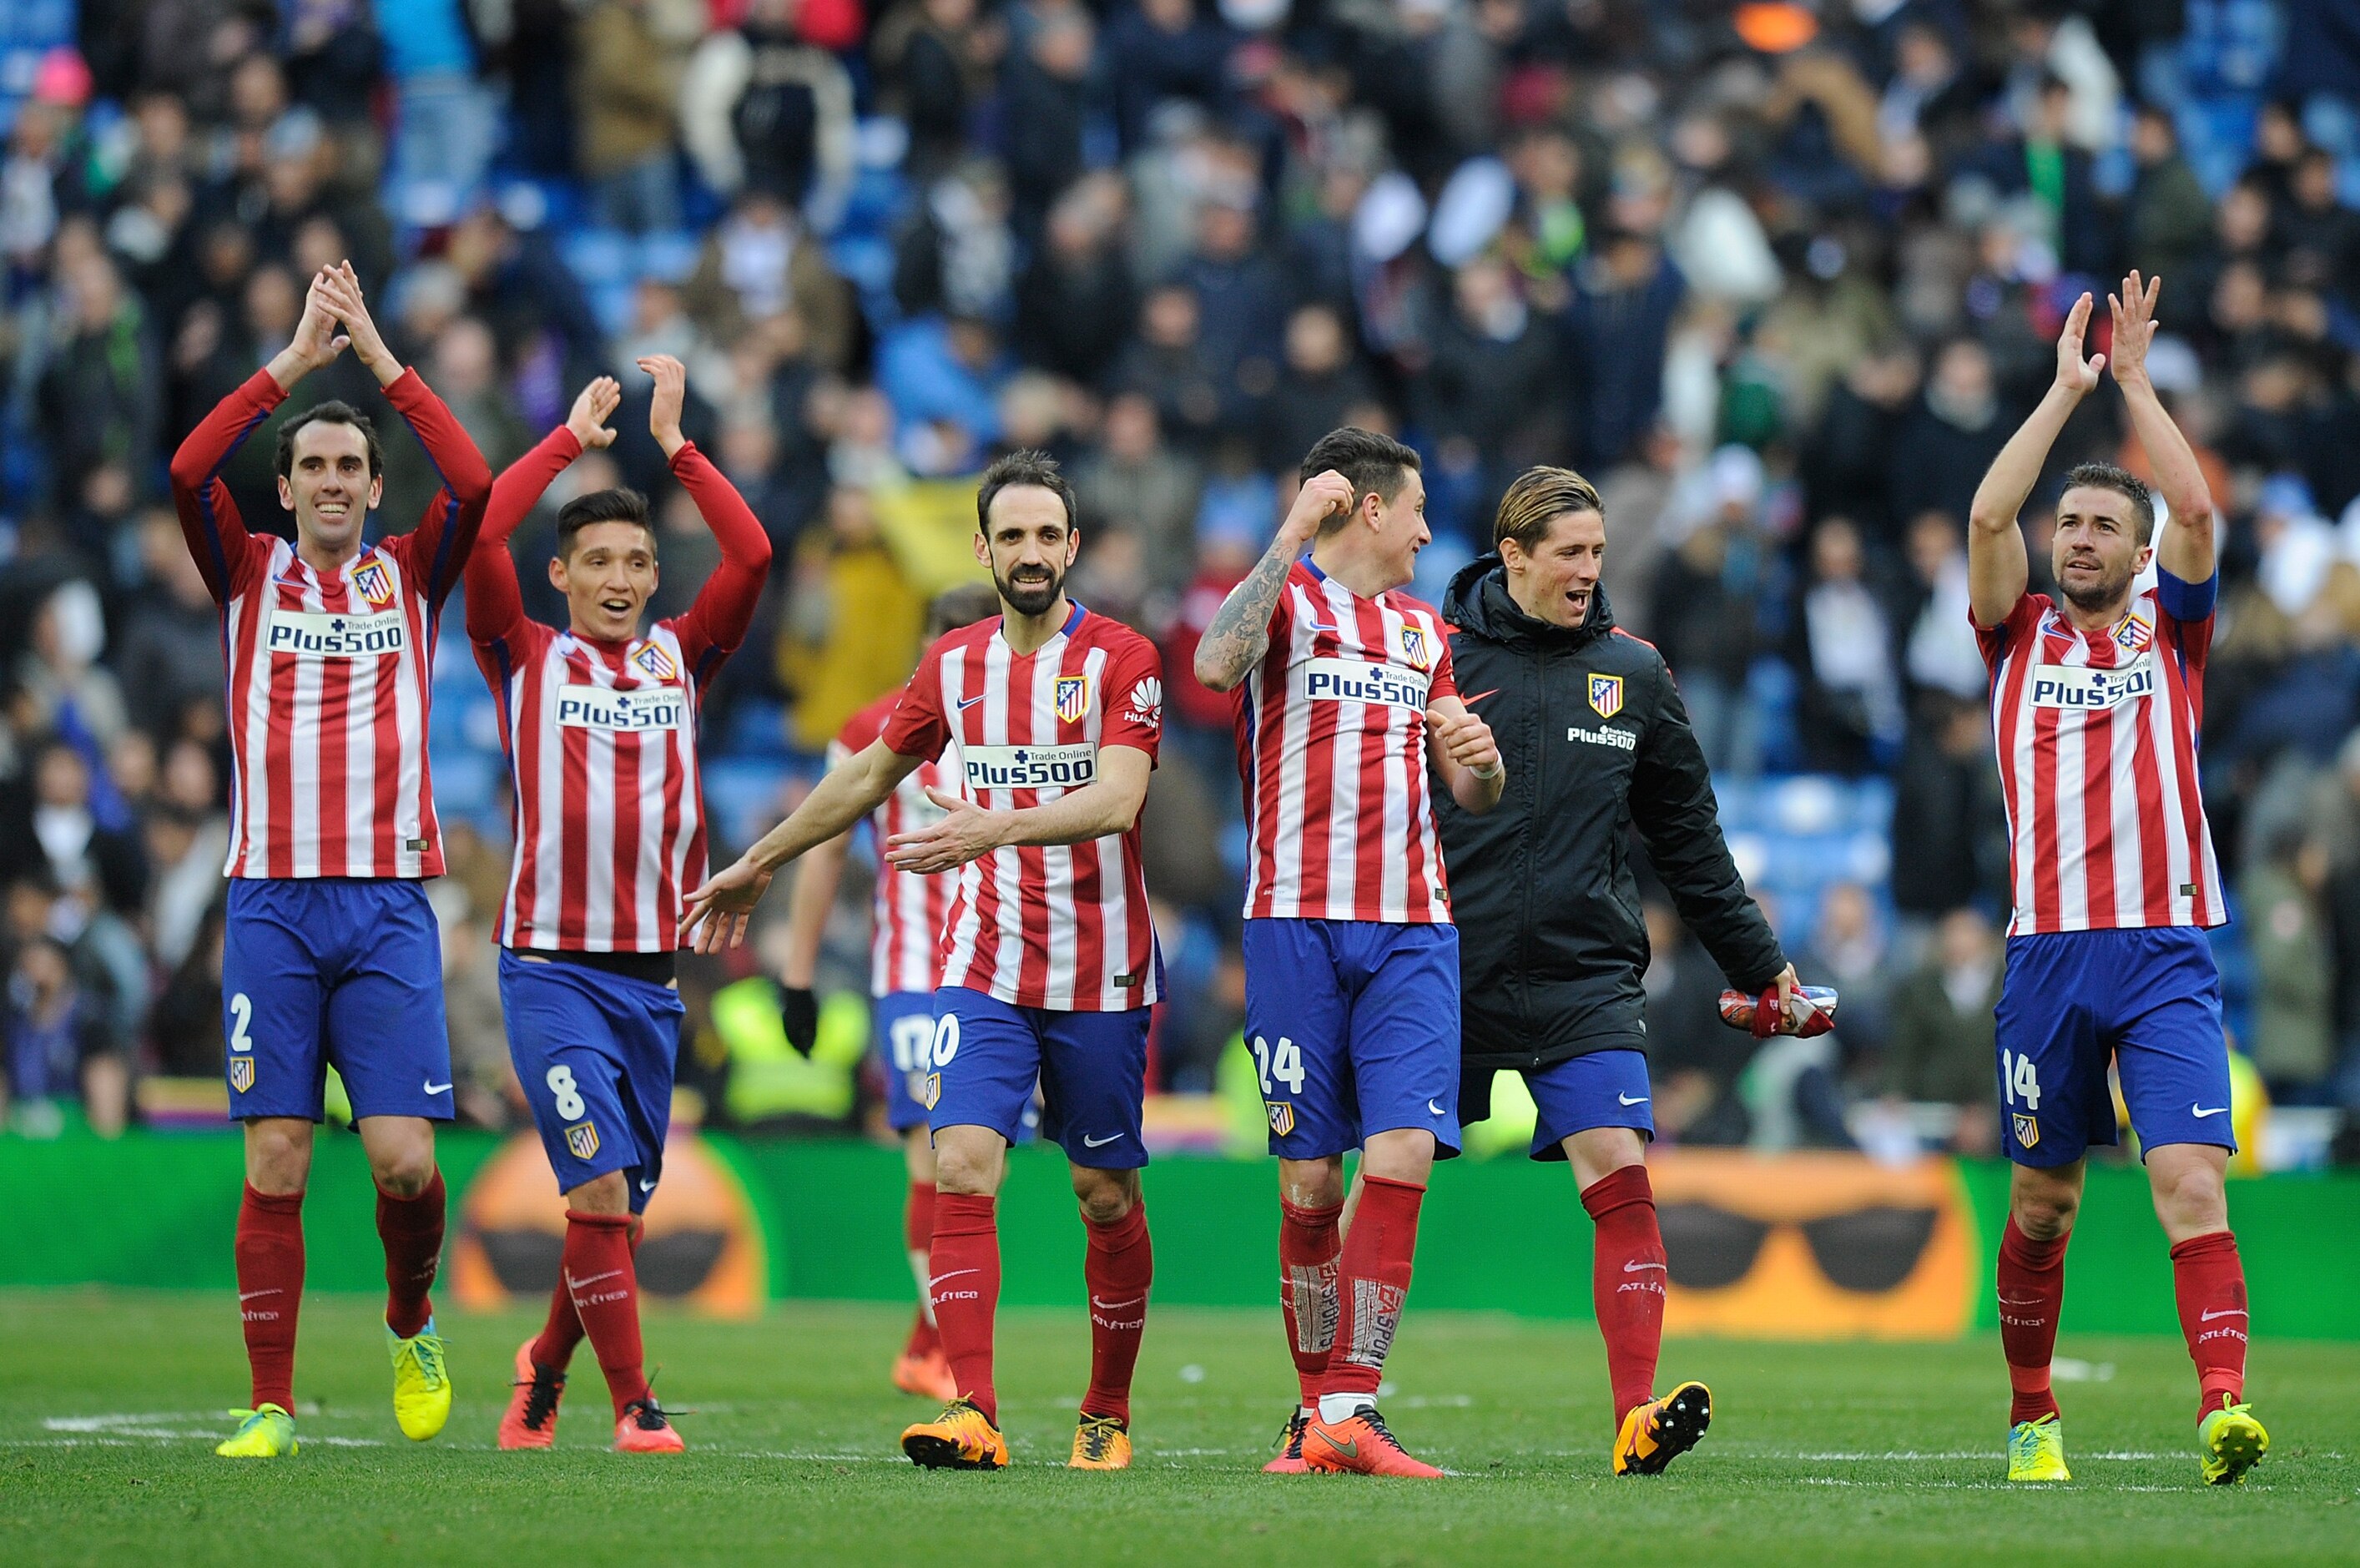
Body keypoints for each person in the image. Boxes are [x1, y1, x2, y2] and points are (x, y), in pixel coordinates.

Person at [681, 450, 1166, 1474]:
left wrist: (994, 826)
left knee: (1102, 1193)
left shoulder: (1121, 657)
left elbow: (1119, 797)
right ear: (981, 549)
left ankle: (1105, 1410)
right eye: (1012, 535)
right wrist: (759, 860)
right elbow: (865, 774)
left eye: (1048, 535)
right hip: (981, 961)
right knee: (959, 1163)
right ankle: (972, 1408)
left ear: (1072, 547)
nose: (1030, 552)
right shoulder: (951, 665)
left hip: (1099, 970)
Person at [169, 263, 492, 1460]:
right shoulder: (245, 571)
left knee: (404, 1163)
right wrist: (297, 363)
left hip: (388, 905)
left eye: (351, 464)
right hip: (271, 903)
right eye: (313, 464)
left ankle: (410, 1318)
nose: (334, 481)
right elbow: (186, 471)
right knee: (279, 1155)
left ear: (373, 482)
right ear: (288, 485)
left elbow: (475, 480)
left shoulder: (412, 574)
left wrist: (383, 361)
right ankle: (270, 1401)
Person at [1434, 465, 1797, 1475]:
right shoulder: (1433, 657)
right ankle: (1333, 1404)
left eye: (1596, 551)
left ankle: (1635, 1416)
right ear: (1512, 555)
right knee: (1386, 1172)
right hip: (1440, 969)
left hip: (1581, 976)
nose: (1589, 570)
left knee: (1620, 1167)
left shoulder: (1634, 674)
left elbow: (1691, 845)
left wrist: (1761, 965)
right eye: (1569, 553)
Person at [1966, 273, 2266, 1486]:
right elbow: (1988, 516)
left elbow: (2194, 507)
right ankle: (2031, 1413)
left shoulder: (2171, 635)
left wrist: (2135, 383)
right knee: (2044, 1204)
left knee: (2191, 1183)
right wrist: (2063, 392)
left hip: (2163, 951)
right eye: (2070, 523)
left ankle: (2222, 1407)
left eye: (2102, 526)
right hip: (2047, 955)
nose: (2078, 538)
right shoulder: (2013, 631)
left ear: (2140, 557)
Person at [1192, 428, 1505, 1480]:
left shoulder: (1424, 631)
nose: (1424, 531)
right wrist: (1289, 530)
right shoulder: (1285, 601)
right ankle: (1314, 1412)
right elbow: (1212, 664)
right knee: (1311, 1180)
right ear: (1369, 508)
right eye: (1414, 510)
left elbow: (1471, 790)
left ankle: (1349, 1405)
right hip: (1293, 921)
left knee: (1403, 1151)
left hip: (1414, 924)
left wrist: (1482, 764)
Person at [472, 360, 771, 1454]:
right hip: (550, 970)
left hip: (651, 978)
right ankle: (636, 1404)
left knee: (617, 1213)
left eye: (637, 561)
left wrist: (678, 445)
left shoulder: (681, 658)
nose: (619, 576)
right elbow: (483, 533)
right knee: (599, 1189)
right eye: (596, 559)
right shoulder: (522, 654)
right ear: (560, 573)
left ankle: (543, 1370)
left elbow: (753, 554)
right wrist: (566, 441)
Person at [775, 579, 1003, 1405]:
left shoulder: (1023, 726)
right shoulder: (872, 729)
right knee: (935, 1155)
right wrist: (798, 975)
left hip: (1002, 973)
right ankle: (945, 1352)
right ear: (928, 646)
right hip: (913, 971)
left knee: (981, 1168)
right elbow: (825, 852)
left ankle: (924, 1342)